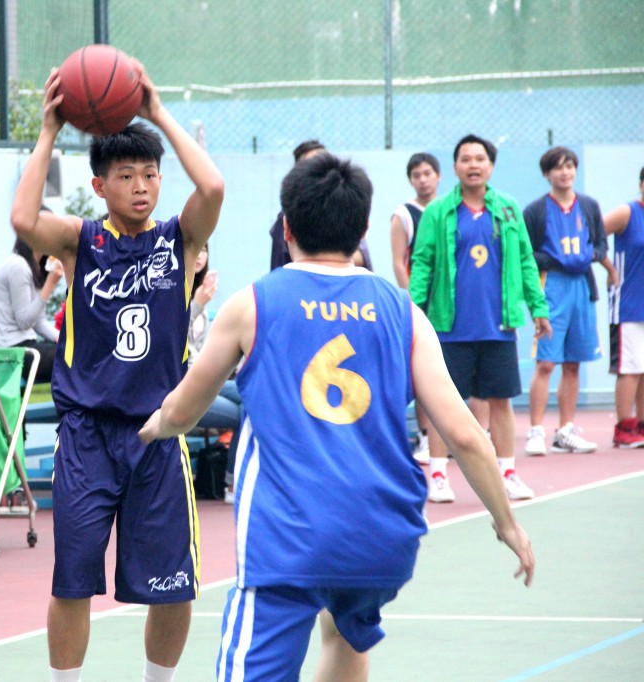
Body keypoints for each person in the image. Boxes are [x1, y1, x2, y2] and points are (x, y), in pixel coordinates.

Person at [139, 153, 535, 681]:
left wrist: (152, 428)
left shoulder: (253, 304)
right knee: (347, 635)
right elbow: (464, 433)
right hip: (381, 537)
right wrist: (507, 522)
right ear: (363, 228)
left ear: (287, 228)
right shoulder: (403, 312)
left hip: (288, 537)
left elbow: (182, 411)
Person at [11, 60, 223, 682]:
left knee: (174, 587)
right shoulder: (80, 242)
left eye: (150, 174)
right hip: (87, 436)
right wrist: (48, 131)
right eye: (126, 175)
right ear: (99, 186)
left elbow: (213, 188)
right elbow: (23, 220)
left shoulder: (179, 240)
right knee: (72, 581)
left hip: (158, 431)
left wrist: (157, 112)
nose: (141, 186)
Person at [409, 134, 552, 504]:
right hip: (449, 327)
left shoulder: (508, 208)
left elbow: (525, 260)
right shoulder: (438, 212)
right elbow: (422, 263)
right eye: (466, 159)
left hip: (498, 326)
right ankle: (438, 475)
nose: (473, 165)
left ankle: (507, 473)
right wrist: (412, 310)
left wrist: (537, 308)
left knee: (501, 400)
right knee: (444, 403)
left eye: (480, 158)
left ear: (490, 165)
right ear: (455, 167)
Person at [524, 147, 615, 455]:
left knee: (573, 362)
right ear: (547, 174)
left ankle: (565, 430)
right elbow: (527, 253)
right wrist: (555, 259)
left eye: (570, 166)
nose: (565, 172)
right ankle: (535, 431)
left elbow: (600, 245)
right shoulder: (536, 210)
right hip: (552, 286)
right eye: (558, 168)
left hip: (581, 287)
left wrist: (589, 255)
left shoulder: (588, 206)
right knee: (546, 363)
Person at [389, 152, 441, 464]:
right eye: (416, 175)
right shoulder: (404, 215)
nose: (422, 179)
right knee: (423, 368)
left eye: (427, 173)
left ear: (438, 176)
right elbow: (398, 262)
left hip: (448, 303)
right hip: (421, 304)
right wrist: (412, 301)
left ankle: (457, 433)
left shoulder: (448, 209)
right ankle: (424, 435)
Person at [188, 244, 242, 504]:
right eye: (195, 248)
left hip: (204, 377)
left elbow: (202, 350)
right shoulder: (169, 289)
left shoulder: (201, 294)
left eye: (204, 249)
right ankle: (232, 483)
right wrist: (196, 306)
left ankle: (233, 482)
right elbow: (170, 340)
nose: (200, 255)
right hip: (183, 385)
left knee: (252, 392)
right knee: (246, 412)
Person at [270, 139, 373, 272]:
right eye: (313, 162)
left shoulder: (347, 204)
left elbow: (363, 255)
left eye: (324, 160)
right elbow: (278, 262)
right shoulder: (290, 213)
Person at [0, 235, 65, 384]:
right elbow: (24, 322)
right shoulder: (18, 266)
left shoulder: (36, 266)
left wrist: (63, 339)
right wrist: (50, 284)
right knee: (72, 358)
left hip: (23, 348)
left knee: (74, 352)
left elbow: (39, 321)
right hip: (7, 352)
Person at [603, 166, 644, 448]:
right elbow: (592, 235)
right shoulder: (627, 212)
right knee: (629, 368)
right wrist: (609, 267)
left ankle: (640, 424)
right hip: (628, 304)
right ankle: (624, 428)